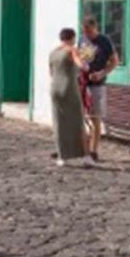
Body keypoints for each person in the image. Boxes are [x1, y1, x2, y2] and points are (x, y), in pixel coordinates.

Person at [48, 28, 92, 167]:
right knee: (78, 122)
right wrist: (86, 63)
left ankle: (62, 157)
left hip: (55, 88)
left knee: (59, 122)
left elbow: (51, 72)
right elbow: (82, 65)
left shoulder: (53, 52)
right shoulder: (72, 50)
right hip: (69, 88)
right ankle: (86, 157)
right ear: (72, 38)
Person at [81, 17, 119, 162]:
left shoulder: (105, 41)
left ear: (95, 28)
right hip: (83, 84)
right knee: (82, 118)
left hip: (97, 85)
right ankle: (83, 148)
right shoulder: (82, 40)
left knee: (95, 117)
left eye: (89, 32)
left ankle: (93, 150)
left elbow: (114, 61)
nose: (87, 35)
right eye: (84, 32)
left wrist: (102, 73)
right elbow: (81, 59)